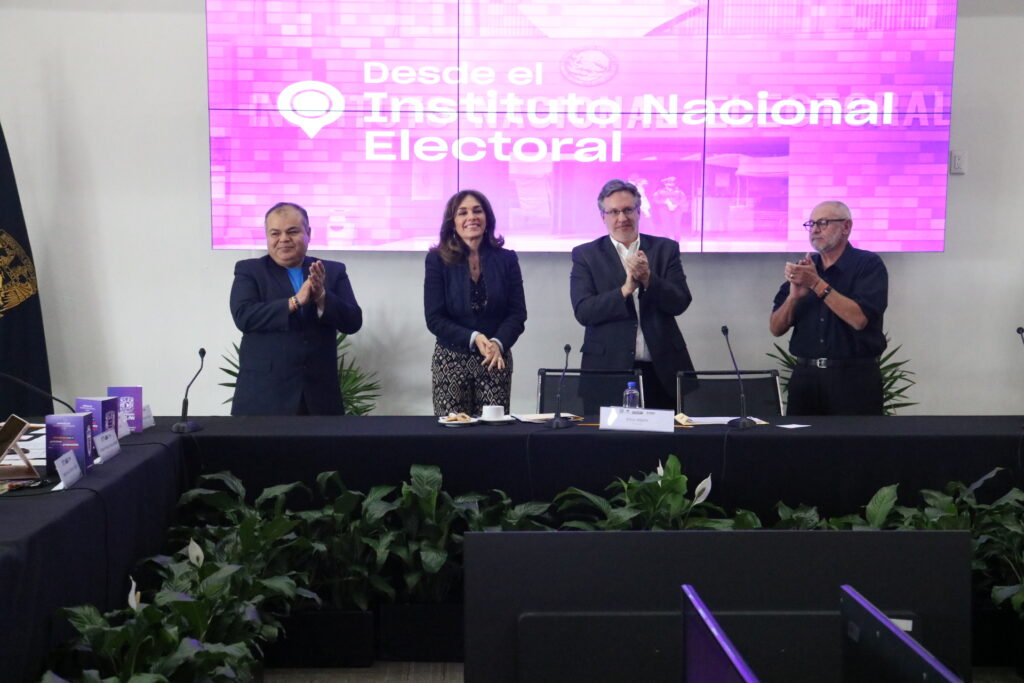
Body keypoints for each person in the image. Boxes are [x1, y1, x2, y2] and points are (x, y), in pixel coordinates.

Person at [570, 178, 695, 411]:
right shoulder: (586, 255)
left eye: (628, 210)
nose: (622, 218)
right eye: (614, 211)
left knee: (664, 446)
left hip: (661, 371)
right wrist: (625, 290)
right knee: (607, 446)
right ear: (603, 216)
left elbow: (680, 302)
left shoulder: (665, 249)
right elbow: (584, 311)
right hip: (607, 370)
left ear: (639, 212)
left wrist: (649, 279)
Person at [230, 202, 362, 415]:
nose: (283, 239)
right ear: (267, 236)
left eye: (292, 231)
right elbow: (244, 317)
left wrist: (322, 297)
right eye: (275, 233)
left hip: (320, 397)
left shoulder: (332, 271)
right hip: (264, 397)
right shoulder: (250, 270)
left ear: (308, 233)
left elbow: (353, 322)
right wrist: (295, 301)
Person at [769, 200, 888, 415]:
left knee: (854, 446)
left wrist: (816, 283)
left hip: (854, 378)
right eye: (811, 224)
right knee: (801, 446)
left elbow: (858, 319)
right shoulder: (806, 267)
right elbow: (776, 328)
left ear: (846, 227)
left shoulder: (868, 265)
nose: (814, 229)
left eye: (823, 223)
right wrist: (794, 297)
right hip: (805, 378)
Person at [424, 190, 526, 416]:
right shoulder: (437, 260)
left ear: (487, 217)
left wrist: (497, 343)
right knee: (453, 436)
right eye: (463, 212)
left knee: (492, 436)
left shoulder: (507, 259)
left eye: (477, 211)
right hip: (451, 360)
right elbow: (434, 318)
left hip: (494, 358)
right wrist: (475, 337)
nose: (472, 217)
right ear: (453, 223)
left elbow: (517, 314)